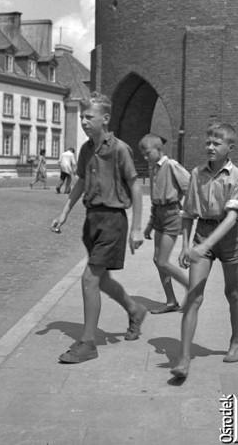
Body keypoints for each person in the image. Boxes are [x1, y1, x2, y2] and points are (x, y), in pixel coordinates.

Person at [50, 92, 146, 364]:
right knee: (101, 279)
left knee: (89, 279)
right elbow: (80, 181)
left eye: (88, 116)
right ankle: (134, 309)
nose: (83, 121)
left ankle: (88, 343)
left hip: (113, 221)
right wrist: (64, 213)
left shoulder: (119, 149)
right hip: (91, 221)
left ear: (104, 119)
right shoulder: (85, 150)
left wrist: (137, 228)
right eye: (81, 116)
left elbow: (136, 185)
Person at [171, 122, 238, 379]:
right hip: (203, 231)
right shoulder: (197, 174)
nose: (210, 147)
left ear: (230, 148)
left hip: (228, 238)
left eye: (217, 143)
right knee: (193, 296)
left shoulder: (236, 177)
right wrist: (185, 244)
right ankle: (183, 358)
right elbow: (188, 212)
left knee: (232, 292)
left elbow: (231, 219)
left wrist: (205, 245)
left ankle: (236, 340)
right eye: (208, 142)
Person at [138, 133, 190, 313]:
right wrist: (151, 223)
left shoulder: (171, 165)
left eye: (148, 153)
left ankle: (192, 289)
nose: (145, 157)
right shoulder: (154, 169)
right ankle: (171, 302)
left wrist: (185, 212)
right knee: (157, 259)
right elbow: (155, 198)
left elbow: (189, 187)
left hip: (171, 215)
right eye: (143, 155)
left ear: (159, 150)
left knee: (162, 261)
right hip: (159, 214)